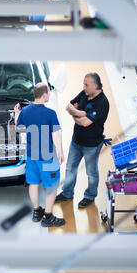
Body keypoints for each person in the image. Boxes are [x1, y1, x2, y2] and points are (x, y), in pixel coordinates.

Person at [55, 72, 110, 208]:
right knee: (70, 168)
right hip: (76, 141)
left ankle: (90, 196)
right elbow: (68, 107)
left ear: (95, 86)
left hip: (91, 145)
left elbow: (85, 123)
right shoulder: (85, 93)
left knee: (91, 172)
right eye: (83, 84)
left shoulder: (102, 103)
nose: (84, 87)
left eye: (86, 85)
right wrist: (79, 113)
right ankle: (67, 193)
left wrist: (75, 114)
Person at [14, 83, 66, 227]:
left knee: (33, 183)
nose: (49, 95)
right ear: (44, 95)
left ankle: (37, 212)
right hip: (47, 157)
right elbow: (55, 136)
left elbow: (18, 127)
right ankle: (48, 217)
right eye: (48, 93)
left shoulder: (25, 111)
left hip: (31, 156)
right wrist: (61, 152)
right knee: (52, 186)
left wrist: (17, 113)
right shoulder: (50, 113)